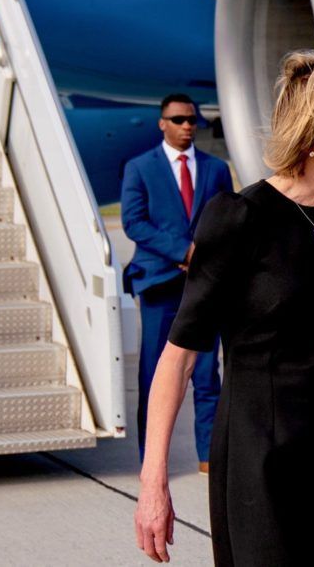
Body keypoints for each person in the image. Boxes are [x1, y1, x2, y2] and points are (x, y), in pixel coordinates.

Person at [134, 52, 314, 565]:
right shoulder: (239, 219)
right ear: (312, 137)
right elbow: (178, 358)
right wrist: (154, 484)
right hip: (255, 450)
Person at [121, 92, 233, 466]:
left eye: (192, 120)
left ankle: (209, 455)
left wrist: (208, 255)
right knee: (154, 374)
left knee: (206, 373)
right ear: (162, 123)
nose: (188, 126)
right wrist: (183, 251)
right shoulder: (140, 167)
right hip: (158, 284)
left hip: (204, 284)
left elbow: (228, 219)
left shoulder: (215, 169)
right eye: (179, 119)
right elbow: (133, 222)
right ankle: (151, 458)